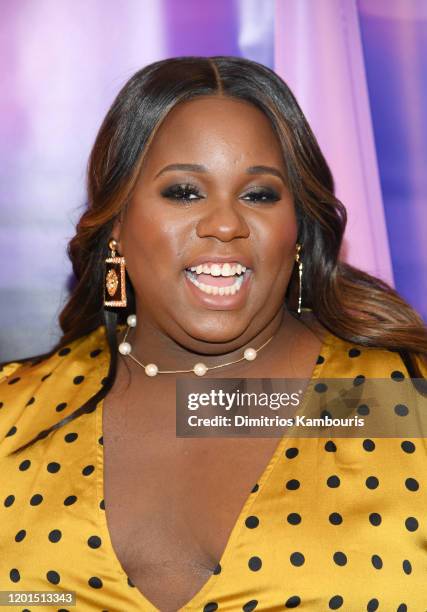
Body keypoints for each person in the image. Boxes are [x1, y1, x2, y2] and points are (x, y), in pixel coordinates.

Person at [0, 56, 426, 612]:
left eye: (259, 194)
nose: (225, 223)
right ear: (117, 226)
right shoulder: (13, 414)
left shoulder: (401, 402)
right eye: (183, 192)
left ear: (297, 230)